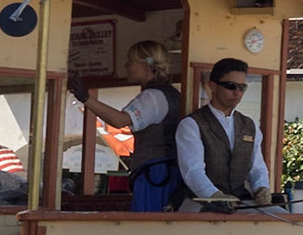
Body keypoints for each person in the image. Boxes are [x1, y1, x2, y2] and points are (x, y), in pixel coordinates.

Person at [74, 40, 183, 211]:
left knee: (146, 225)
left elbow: (120, 120)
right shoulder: (173, 94)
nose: (126, 65)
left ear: (147, 64)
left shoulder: (152, 97)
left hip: (155, 173)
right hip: (170, 172)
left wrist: (86, 98)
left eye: (131, 61)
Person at [176, 57, 271, 209]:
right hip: (199, 203)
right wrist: (214, 195)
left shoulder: (250, 125)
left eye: (242, 88)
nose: (237, 93)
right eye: (231, 86)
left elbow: (256, 168)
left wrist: (261, 188)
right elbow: (192, 171)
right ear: (212, 86)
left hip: (240, 202)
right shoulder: (191, 125)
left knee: (280, 219)